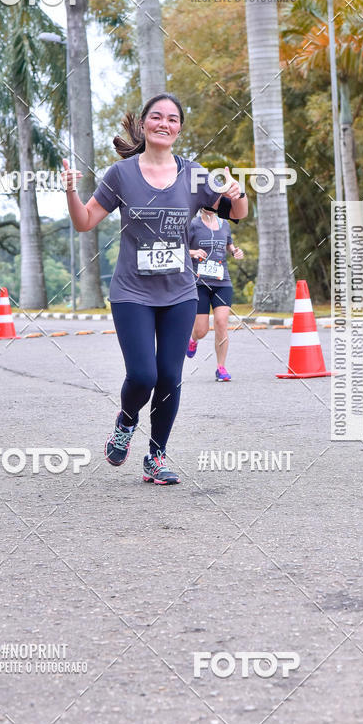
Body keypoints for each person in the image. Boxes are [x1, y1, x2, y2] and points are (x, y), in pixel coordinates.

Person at [63, 93, 248, 485]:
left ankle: (156, 458)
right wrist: (69, 192)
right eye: (156, 117)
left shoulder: (194, 174)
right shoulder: (121, 174)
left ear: (179, 128)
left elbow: (238, 214)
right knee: (143, 375)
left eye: (172, 119)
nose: (164, 123)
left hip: (180, 291)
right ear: (145, 124)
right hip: (132, 292)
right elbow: (84, 222)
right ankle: (126, 422)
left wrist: (238, 192)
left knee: (169, 377)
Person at [186, 207, 244, 381]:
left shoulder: (224, 224)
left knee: (221, 323)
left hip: (222, 283)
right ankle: (194, 339)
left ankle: (221, 367)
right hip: (200, 283)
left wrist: (235, 251)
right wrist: (194, 252)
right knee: (201, 330)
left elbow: (229, 244)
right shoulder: (193, 225)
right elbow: (180, 248)